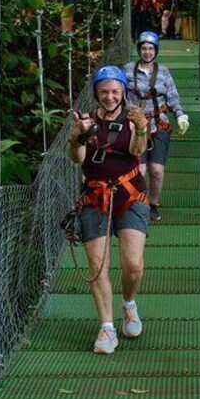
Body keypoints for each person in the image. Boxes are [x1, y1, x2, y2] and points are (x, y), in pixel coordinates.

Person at [68, 66, 150, 354]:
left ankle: (129, 303)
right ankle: (106, 327)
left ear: (123, 92)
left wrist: (141, 127)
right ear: (96, 94)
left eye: (115, 91)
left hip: (130, 194)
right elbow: (76, 158)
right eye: (104, 92)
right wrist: (78, 135)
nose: (110, 97)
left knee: (133, 264)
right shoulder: (87, 121)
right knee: (97, 265)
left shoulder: (132, 119)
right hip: (95, 195)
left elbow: (138, 151)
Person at [124, 31, 190, 221]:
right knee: (140, 170)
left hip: (159, 124)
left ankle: (153, 204)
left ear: (156, 51)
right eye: (143, 48)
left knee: (156, 170)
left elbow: (173, 97)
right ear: (139, 50)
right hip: (136, 126)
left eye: (151, 48)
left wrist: (180, 115)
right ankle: (138, 203)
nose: (147, 52)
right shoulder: (128, 70)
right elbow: (117, 93)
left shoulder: (163, 72)